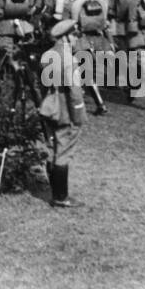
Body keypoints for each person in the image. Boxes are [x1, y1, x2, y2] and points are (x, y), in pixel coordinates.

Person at [39, 19, 86, 208]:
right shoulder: (69, 59)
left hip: (49, 104)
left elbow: (42, 82)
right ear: (65, 37)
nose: (76, 39)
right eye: (74, 35)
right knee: (64, 151)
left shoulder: (48, 54)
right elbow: (74, 90)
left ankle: (55, 191)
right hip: (65, 106)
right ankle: (60, 197)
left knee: (52, 149)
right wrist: (79, 113)